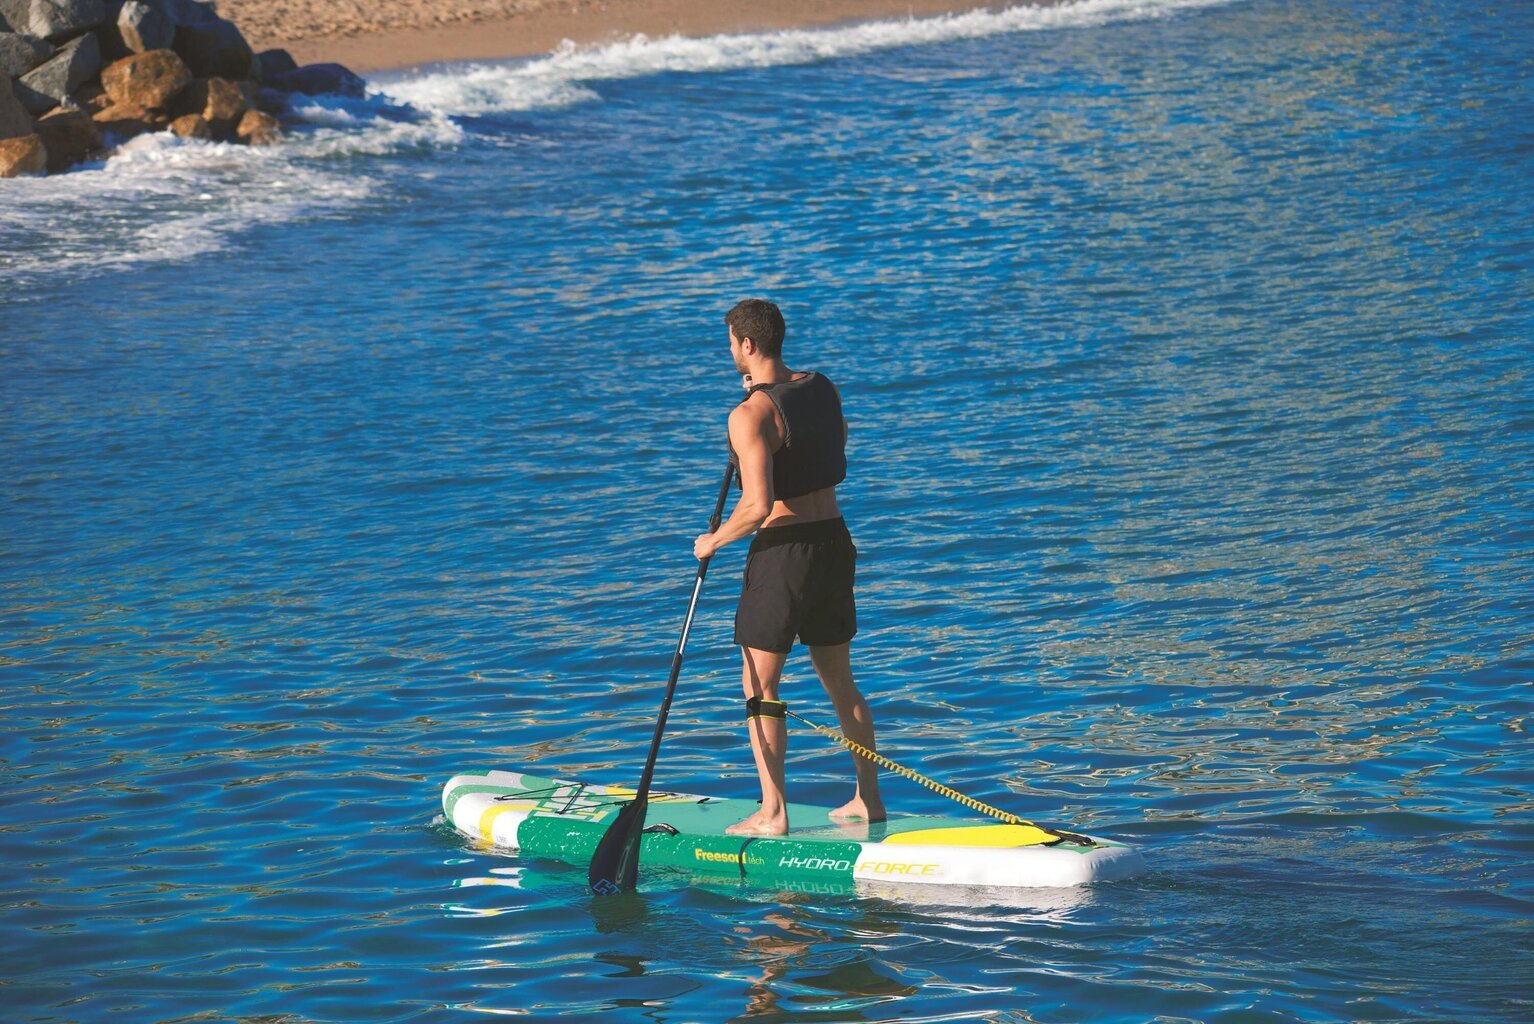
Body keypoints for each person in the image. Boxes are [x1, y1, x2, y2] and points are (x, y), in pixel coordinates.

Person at [692, 298, 885, 836]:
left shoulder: (749, 415)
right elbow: (831, 448)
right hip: (834, 541)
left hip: (784, 554)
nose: (729, 350)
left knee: (761, 688)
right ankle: (868, 800)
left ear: (748, 345)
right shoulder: (821, 387)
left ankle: (773, 813)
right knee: (841, 682)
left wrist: (712, 542)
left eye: (731, 342)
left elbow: (756, 506)